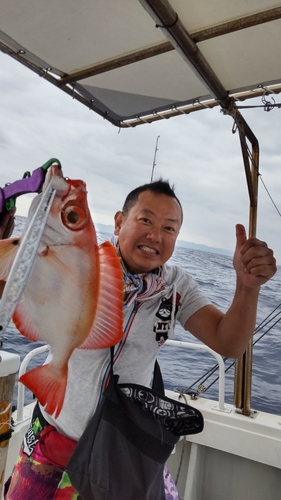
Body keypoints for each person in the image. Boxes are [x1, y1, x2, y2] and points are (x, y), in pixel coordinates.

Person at [2, 179, 277, 499]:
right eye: (145, 219)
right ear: (119, 222)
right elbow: (13, 281)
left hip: (124, 443)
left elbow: (227, 343)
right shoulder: (77, 262)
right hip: (54, 434)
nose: (155, 235)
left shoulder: (177, 287)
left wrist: (247, 287)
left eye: (170, 228)